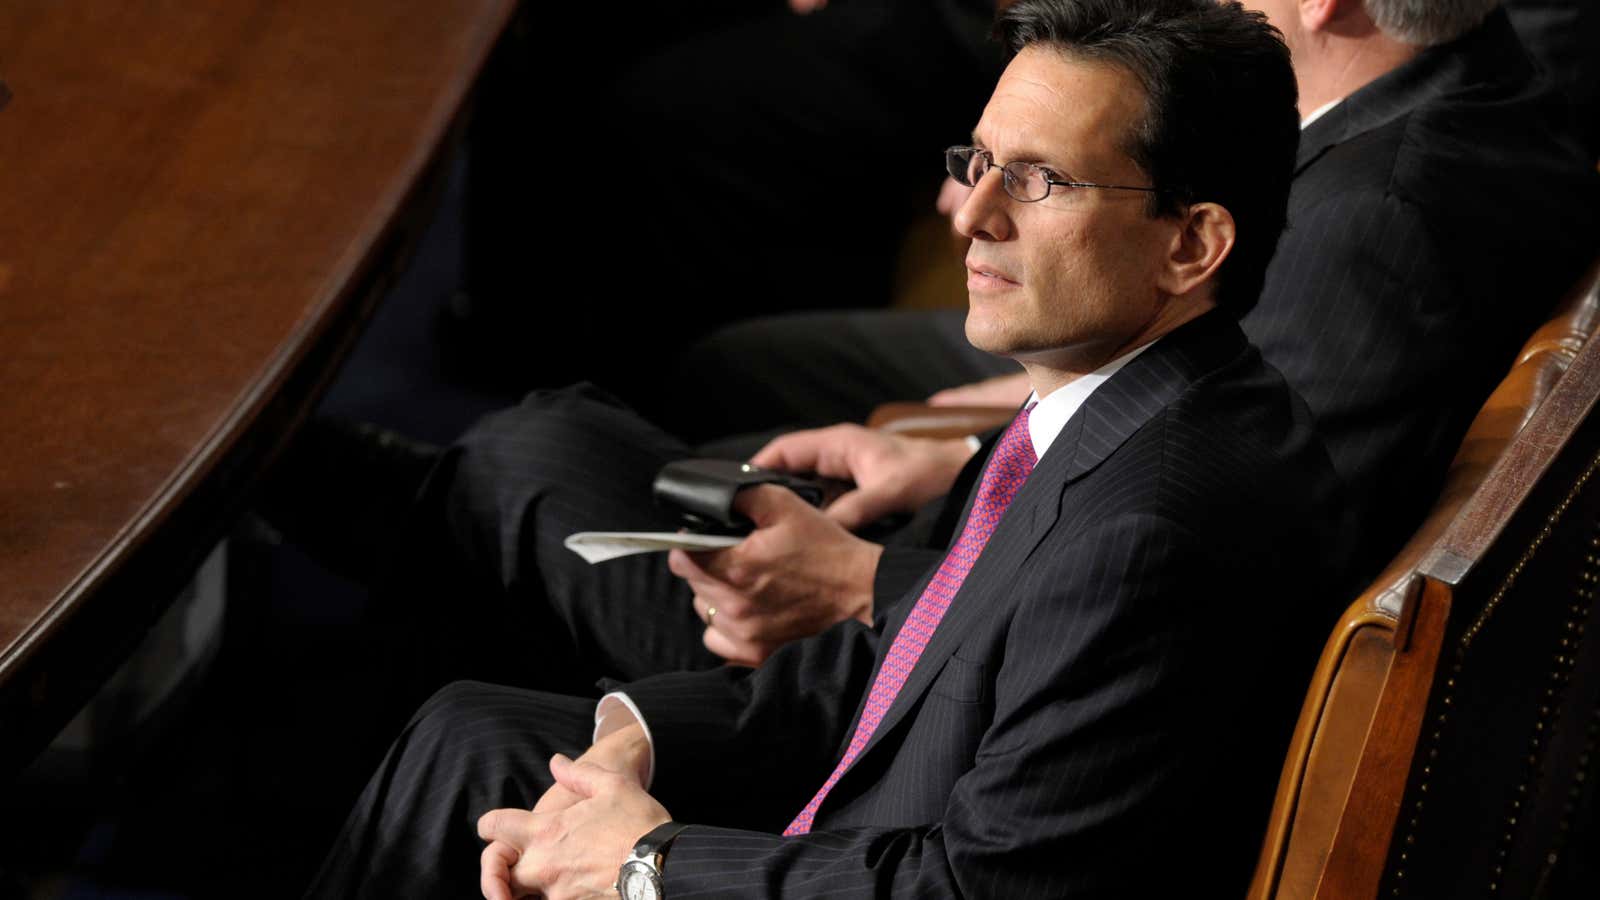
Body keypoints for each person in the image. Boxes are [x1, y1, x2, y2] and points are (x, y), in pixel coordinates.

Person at [304, 2, 1346, 896]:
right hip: (853, 824)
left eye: (1036, 181)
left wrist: (645, 866)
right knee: (469, 729)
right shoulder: (1108, 402)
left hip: (862, 855)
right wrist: (643, 734)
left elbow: (973, 888)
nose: (970, 216)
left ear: (1190, 244)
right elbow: (921, 661)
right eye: (975, 163)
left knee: (484, 713)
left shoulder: (1150, 528)